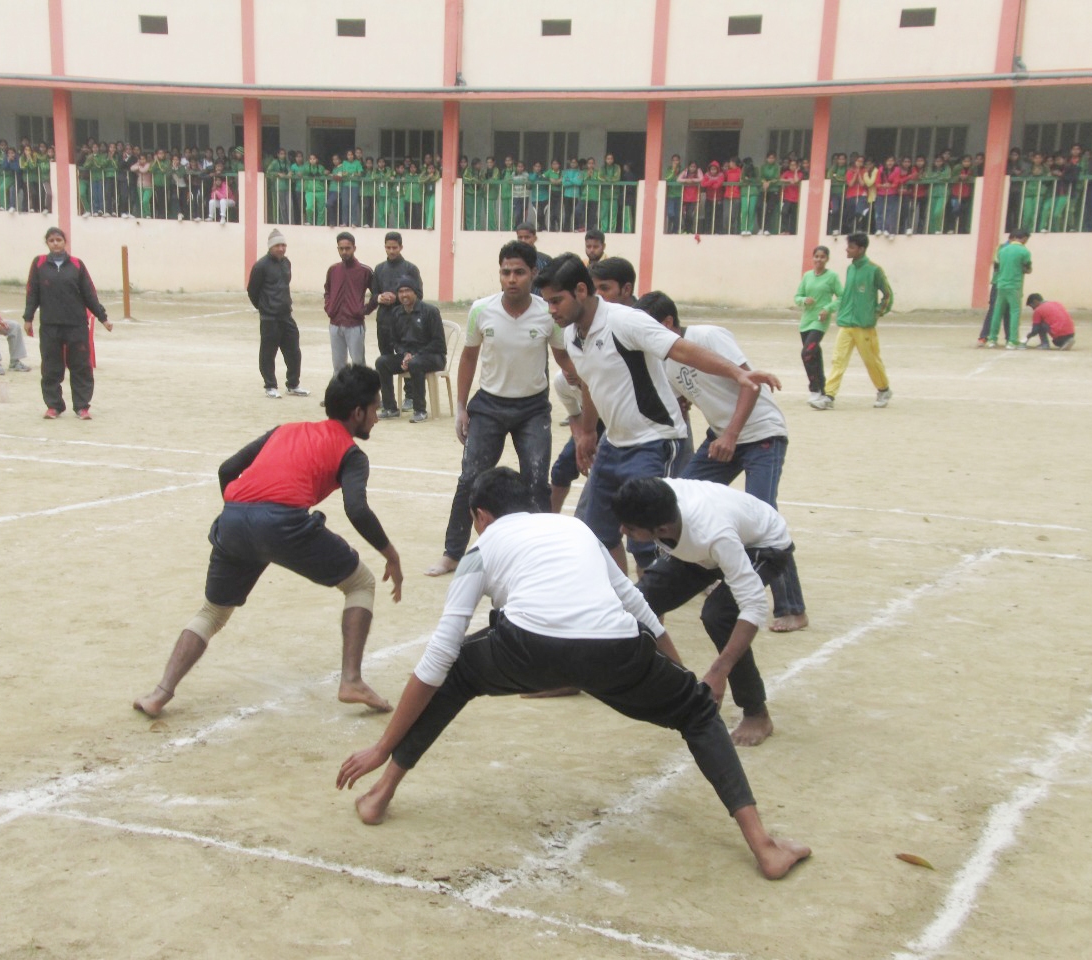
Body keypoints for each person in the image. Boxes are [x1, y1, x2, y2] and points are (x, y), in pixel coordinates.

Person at [335, 468, 811, 880]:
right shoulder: (575, 528)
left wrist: (382, 747)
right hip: (616, 650)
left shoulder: (483, 548)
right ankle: (763, 846)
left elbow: (439, 655)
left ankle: (381, 793)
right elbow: (638, 606)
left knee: (456, 673)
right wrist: (681, 680)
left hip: (526, 652)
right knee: (700, 715)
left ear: (480, 516)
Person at [134, 366, 403, 719]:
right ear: (357, 413)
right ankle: (351, 680)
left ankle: (159, 694)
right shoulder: (351, 454)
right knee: (361, 583)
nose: (377, 418)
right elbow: (356, 509)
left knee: (212, 612)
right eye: (375, 408)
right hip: (282, 522)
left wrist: (243, 517)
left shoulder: (284, 430)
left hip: (233, 518)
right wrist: (390, 554)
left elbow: (227, 469)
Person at [536, 253, 780, 571]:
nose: (551, 310)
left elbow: (681, 349)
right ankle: (624, 600)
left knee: (646, 540)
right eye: (548, 302)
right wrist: (587, 432)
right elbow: (590, 384)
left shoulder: (625, 321)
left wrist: (736, 373)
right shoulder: (572, 335)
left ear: (581, 291)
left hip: (654, 440)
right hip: (613, 444)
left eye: (556, 301)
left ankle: (657, 602)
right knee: (598, 535)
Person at [636, 290, 809, 636]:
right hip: (720, 436)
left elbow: (750, 385)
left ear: (668, 323)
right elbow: (683, 400)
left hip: (760, 433)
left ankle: (792, 607)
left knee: (764, 516)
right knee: (678, 498)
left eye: (649, 329)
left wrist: (730, 434)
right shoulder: (665, 359)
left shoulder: (708, 336)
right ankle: (699, 572)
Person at [425, 241, 572, 576]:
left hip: (533, 409)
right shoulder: (481, 310)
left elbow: (563, 357)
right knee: (470, 479)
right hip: (489, 406)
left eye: (519, 272)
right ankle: (452, 553)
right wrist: (461, 407)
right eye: (506, 272)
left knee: (537, 481)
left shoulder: (547, 313)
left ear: (533, 273)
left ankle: (539, 553)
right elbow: (468, 357)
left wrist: (581, 383)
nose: (511, 279)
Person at [614, 476, 796, 747]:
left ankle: (756, 711)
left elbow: (754, 605)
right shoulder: (657, 497)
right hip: (700, 549)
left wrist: (718, 671)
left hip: (762, 544)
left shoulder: (714, 533)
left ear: (661, 528)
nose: (622, 530)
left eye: (630, 528)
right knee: (640, 601)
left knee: (719, 614)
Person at [22, 226, 112, 420]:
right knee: (51, 367)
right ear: (47, 243)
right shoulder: (39, 264)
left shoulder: (77, 265)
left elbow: (89, 293)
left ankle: (82, 407)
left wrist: (103, 317)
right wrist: (28, 318)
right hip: (50, 325)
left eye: (59, 240)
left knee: (81, 366)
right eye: (51, 240)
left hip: (76, 325)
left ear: (65, 242)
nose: (55, 244)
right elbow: (32, 293)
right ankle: (54, 406)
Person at [809, 233, 893, 410]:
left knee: (871, 361)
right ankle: (829, 396)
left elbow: (888, 294)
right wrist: (842, 313)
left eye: (851, 247)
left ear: (861, 249)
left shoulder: (874, 270)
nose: (847, 250)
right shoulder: (851, 269)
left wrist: (876, 313)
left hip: (864, 326)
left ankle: (884, 389)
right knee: (838, 360)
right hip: (846, 323)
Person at [374, 277, 445, 423]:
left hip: (433, 356)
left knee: (415, 363)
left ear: (415, 293)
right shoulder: (396, 313)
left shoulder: (430, 311)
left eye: (407, 291)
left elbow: (438, 343)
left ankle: (420, 410)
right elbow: (395, 341)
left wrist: (415, 355)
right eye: (400, 291)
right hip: (408, 356)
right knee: (382, 362)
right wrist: (404, 353)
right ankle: (390, 408)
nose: (404, 295)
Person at [248, 228, 308, 399]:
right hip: (269, 318)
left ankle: (293, 384)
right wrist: (264, 307)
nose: (281, 249)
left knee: (294, 351)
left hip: (286, 315)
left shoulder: (286, 263)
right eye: (277, 246)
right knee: (268, 353)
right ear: (270, 247)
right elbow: (252, 290)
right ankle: (270, 386)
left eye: (283, 245)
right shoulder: (260, 266)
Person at [793, 246, 843, 401]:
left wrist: (828, 309)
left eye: (822, 257)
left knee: (807, 353)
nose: (819, 260)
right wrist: (804, 300)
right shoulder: (807, 276)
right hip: (806, 321)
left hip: (820, 321)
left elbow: (842, 297)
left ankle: (814, 388)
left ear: (827, 259)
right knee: (815, 355)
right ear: (813, 258)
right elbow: (797, 296)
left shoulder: (832, 277)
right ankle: (822, 388)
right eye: (816, 256)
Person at [324, 231, 375, 373]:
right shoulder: (333, 270)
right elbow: (327, 290)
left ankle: (361, 389)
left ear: (354, 248)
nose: (344, 252)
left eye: (348, 248)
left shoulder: (365, 271)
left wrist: (364, 310)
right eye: (341, 248)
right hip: (335, 324)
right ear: (337, 249)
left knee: (358, 365)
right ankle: (340, 389)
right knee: (338, 366)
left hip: (355, 325)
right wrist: (329, 307)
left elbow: (376, 294)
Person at [368, 231, 423, 358]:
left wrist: (397, 298)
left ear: (401, 247)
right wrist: (380, 298)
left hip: (406, 321)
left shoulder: (411, 269)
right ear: (385, 247)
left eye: (394, 247)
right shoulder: (379, 269)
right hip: (384, 322)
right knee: (385, 360)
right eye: (388, 247)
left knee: (407, 359)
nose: (391, 251)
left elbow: (419, 295)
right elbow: (374, 295)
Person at [985, 229, 1032, 349]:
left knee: (997, 312)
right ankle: (1012, 340)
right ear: (1023, 238)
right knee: (1014, 312)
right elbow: (1028, 269)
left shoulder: (1002, 250)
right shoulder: (1024, 251)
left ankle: (992, 339)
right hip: (1014, 285)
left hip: (1001, 284)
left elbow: (997, 267)